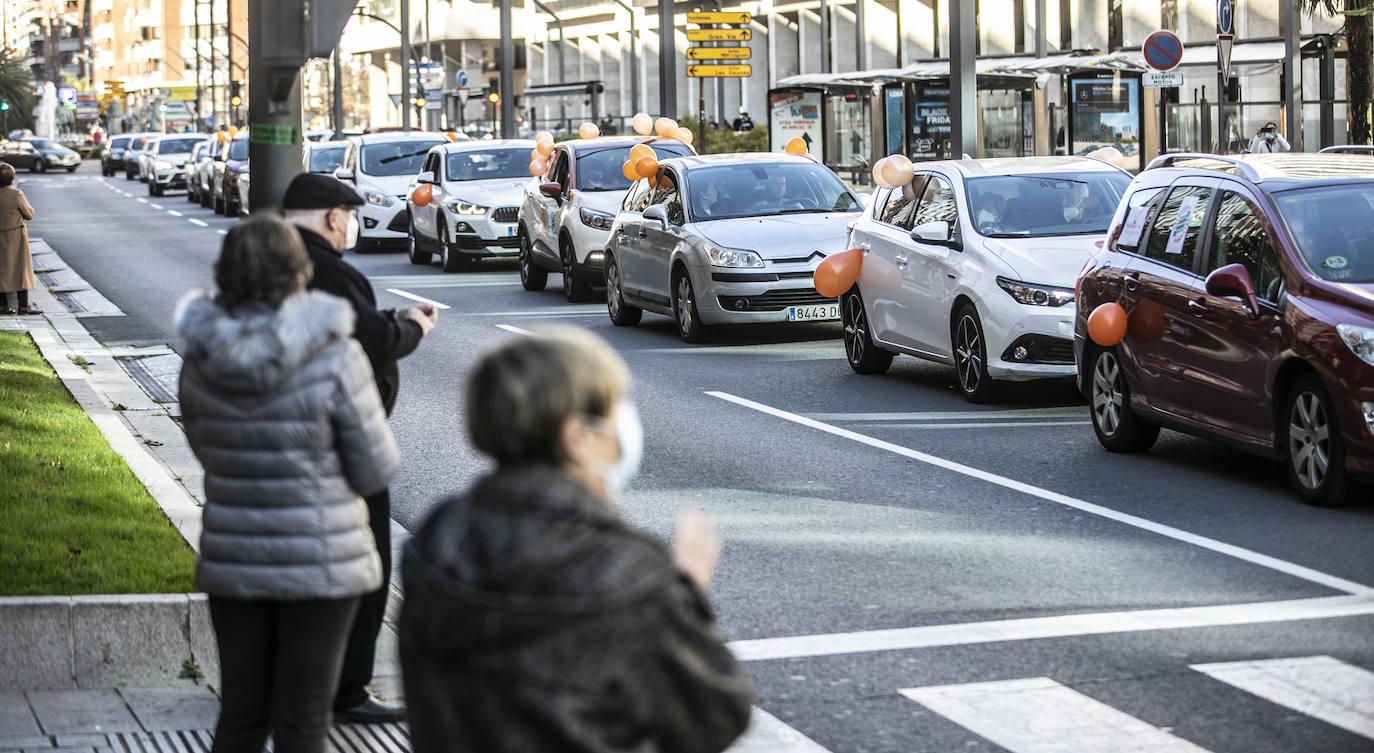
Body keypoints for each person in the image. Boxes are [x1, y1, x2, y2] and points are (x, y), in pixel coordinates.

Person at [399, 328, 754, 753]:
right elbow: (716, 716)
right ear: (578, 438)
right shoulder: (631, 574)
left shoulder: (439, 535)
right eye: (614, 408)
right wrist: (685, 596)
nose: (625, 425)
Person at [175, 214, 399, 753]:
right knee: (304, 721)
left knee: (243, 716)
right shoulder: (335, 351)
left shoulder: (199, 357)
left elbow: (205, 450)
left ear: (226, 272)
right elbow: (374, 470)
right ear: (300, 271)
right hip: (322, 564)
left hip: (234, 559)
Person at [280, 172, 437, 724]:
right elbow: (369, 340)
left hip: (282, 446)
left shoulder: (268, 267)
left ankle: (300, 679)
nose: (350, 226)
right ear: (330, 218)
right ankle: (347, 688)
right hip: (340, 447)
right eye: (348, 216)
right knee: (365, 564)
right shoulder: (327, 271)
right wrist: (412, 326)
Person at [0, 163, 38, 316]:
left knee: (1, 270)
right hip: (16, 236)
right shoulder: (17, 194)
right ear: (12, 178)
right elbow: (29, 214)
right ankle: (23, 306)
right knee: (21, 270)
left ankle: (3, 305)